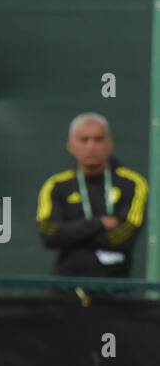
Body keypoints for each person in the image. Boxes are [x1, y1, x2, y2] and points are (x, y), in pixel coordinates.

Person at [38, 113, 149, 278]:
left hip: (115, 288)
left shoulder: (132, 184)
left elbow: (127, 234)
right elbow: (49, 235)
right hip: (65, 287)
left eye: (98, 139)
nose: (91, 146)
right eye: (84, 140)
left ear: (110, 144)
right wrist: (100, 224)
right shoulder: (56, 186)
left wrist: (72, 237)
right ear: (70, 145)